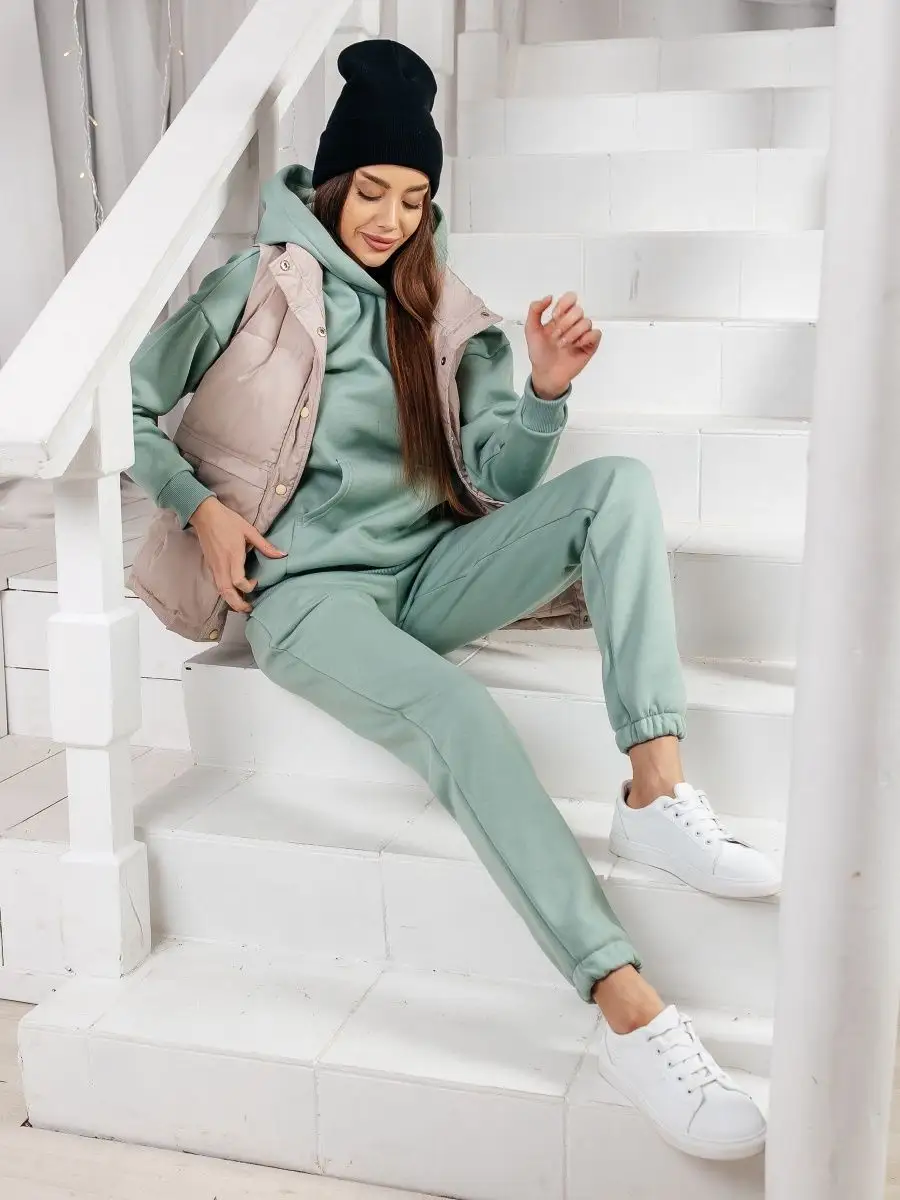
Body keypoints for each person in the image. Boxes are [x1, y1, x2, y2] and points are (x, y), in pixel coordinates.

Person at [128, 38, 777, 1162]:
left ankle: (656, 791)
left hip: (428, 571)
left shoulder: (446, 308)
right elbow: (129, 408)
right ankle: (629, 1010)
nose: (390, 218)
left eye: (413, 198)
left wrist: (543, 397)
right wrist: (201, 508)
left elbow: (496, 480)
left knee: (617, 488)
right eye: (371, 191)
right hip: (310, 597)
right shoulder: (257, 284)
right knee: (464, 717)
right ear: (334, 184)